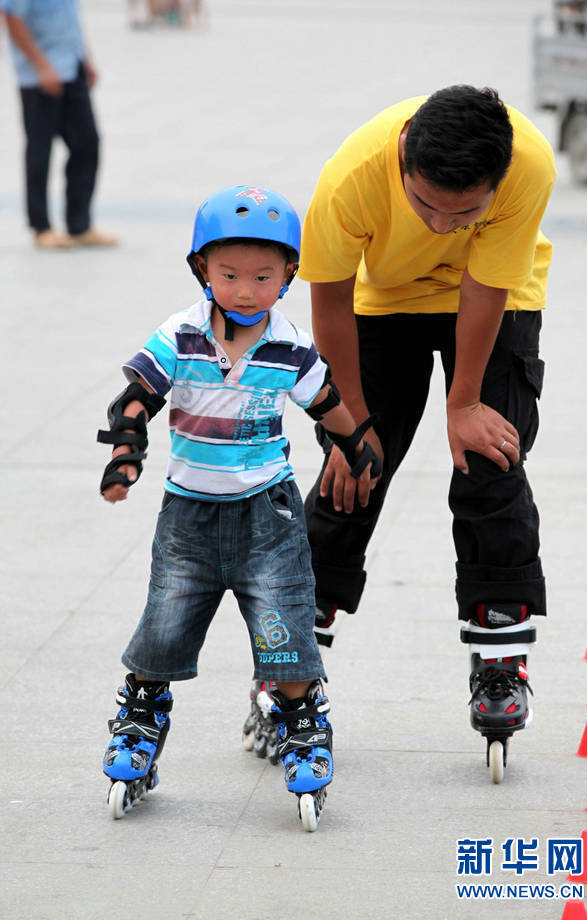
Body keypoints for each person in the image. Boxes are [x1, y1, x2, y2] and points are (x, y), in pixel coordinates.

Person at [97, 185, 379, 829]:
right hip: (188, 516)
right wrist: (125, 454)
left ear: (288, 277)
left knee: (284, 626)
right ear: (202, 270)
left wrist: (355, 445)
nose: (246, 289)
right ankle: (139, 721)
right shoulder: (181, 334)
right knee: (164, 624)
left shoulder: (291, 344)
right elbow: (136, 398)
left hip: (268, 516)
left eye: (263, 276)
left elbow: (326, 398)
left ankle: (303, 724)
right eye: (229, 275)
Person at [297, 86, 556, 771]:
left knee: (489, 456)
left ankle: (499, 653)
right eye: (423, 206)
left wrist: (463, 402)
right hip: (378, 305)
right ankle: (289, 662)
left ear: (495, 184)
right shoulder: (351, 176)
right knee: (351, 473)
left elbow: (485, 285)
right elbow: (327, 301)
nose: (442, 226)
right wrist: (348, 426)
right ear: (404, 159)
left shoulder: (528, 164)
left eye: (464, 212)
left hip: (494, 302)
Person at [4, 0, 117, 249]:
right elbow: (12, 18)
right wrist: (41, 66)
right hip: (40, 76)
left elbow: (71, 20)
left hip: (72, 67)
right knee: (40, 151)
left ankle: (80, 225)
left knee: (87, 143)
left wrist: (86, 58)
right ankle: (41, 227)